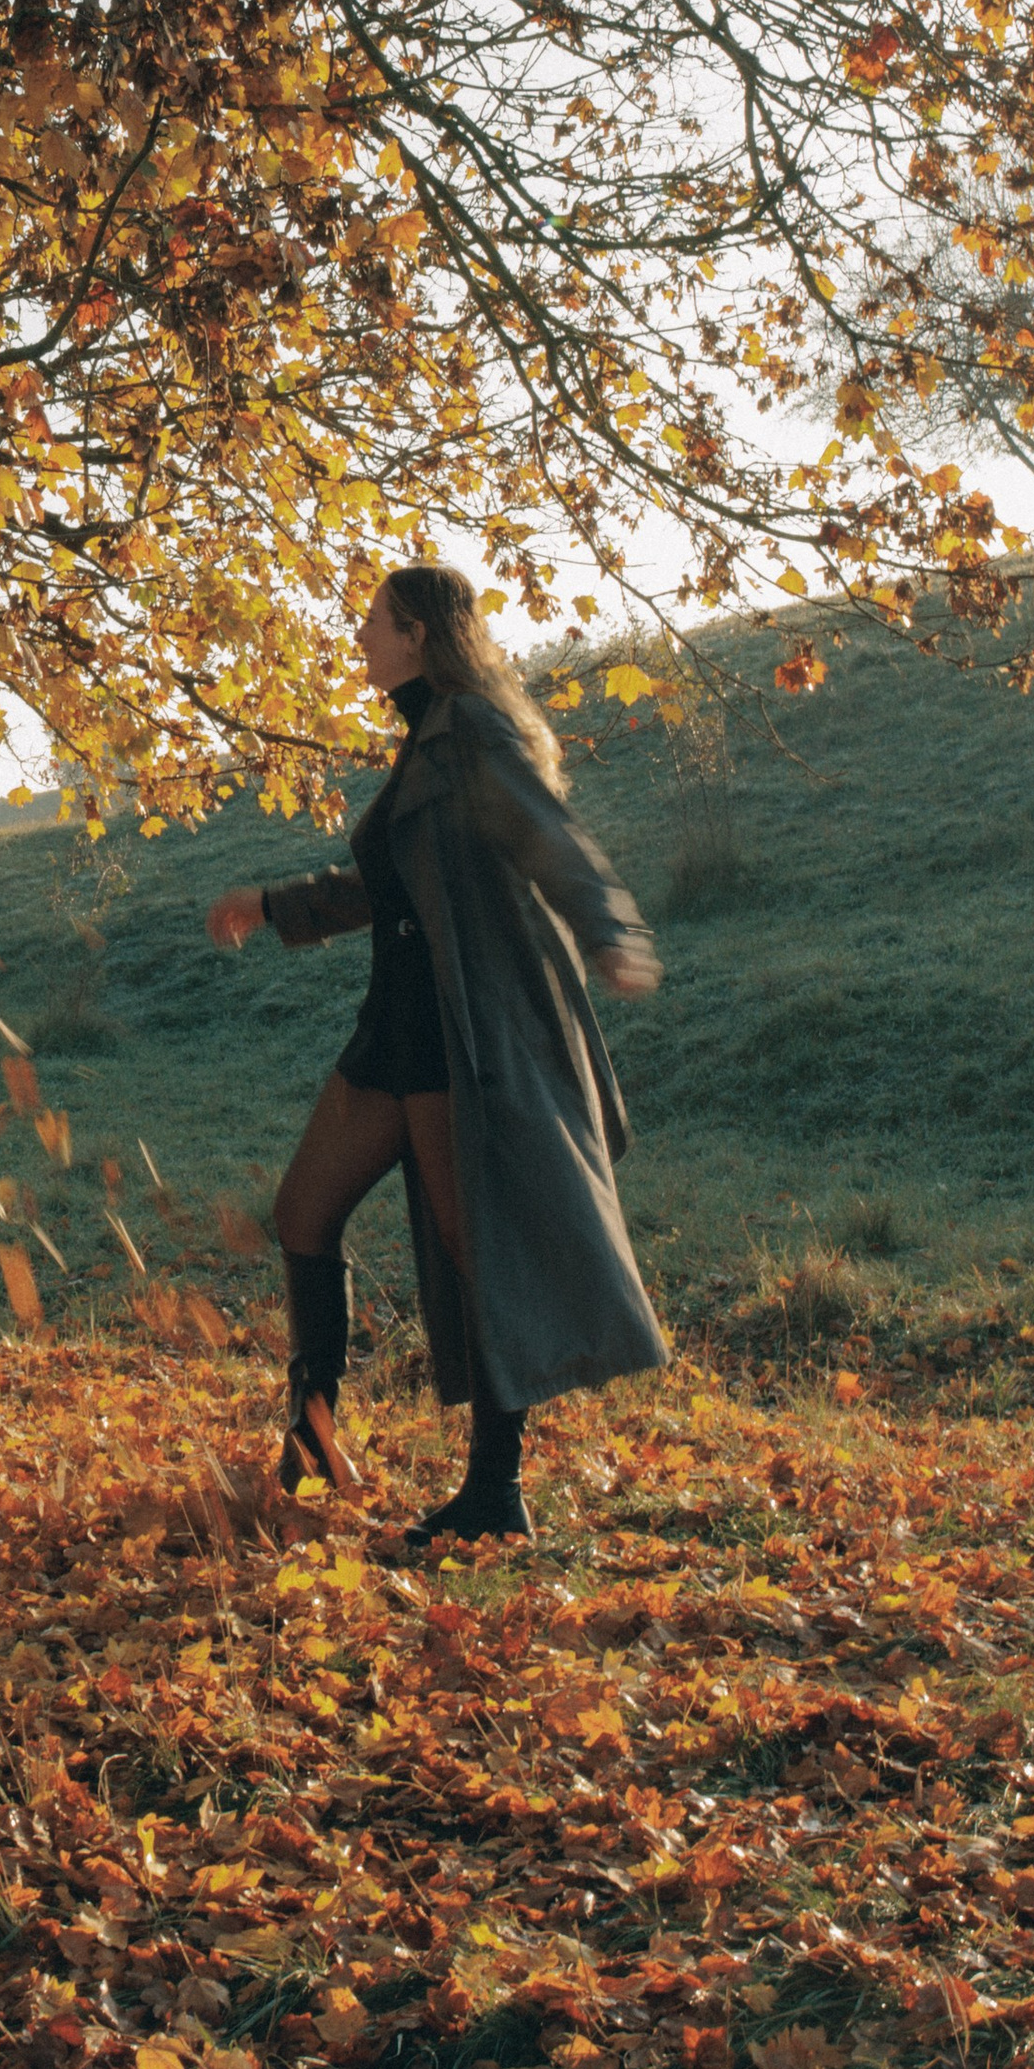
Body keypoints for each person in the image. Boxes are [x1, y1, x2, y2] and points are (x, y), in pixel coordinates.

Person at [208, 562, 665, 1546]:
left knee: (475, 1254)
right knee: (303, 1210)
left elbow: (553, 842)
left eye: (373, 621)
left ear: (416, 631)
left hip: (461, 1032)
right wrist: (272, 906)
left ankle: (496, 1493)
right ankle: (314, 1441)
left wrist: (609, 932)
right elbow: (388, 883)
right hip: (394, 1027)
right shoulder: (425, 741)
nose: (360, 637)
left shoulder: (471, 738)